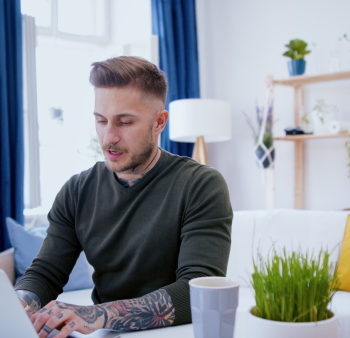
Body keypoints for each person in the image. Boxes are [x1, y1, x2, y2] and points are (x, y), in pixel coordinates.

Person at [14, 56, 233, 338]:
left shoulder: (200, 185)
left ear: (159, 122)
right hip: (107, 335)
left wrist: (95, 314)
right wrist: (19, 303)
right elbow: (45, 273)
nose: (108, 137)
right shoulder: (77, 190)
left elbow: (198, 289)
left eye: (125, 122)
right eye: (101, 121)